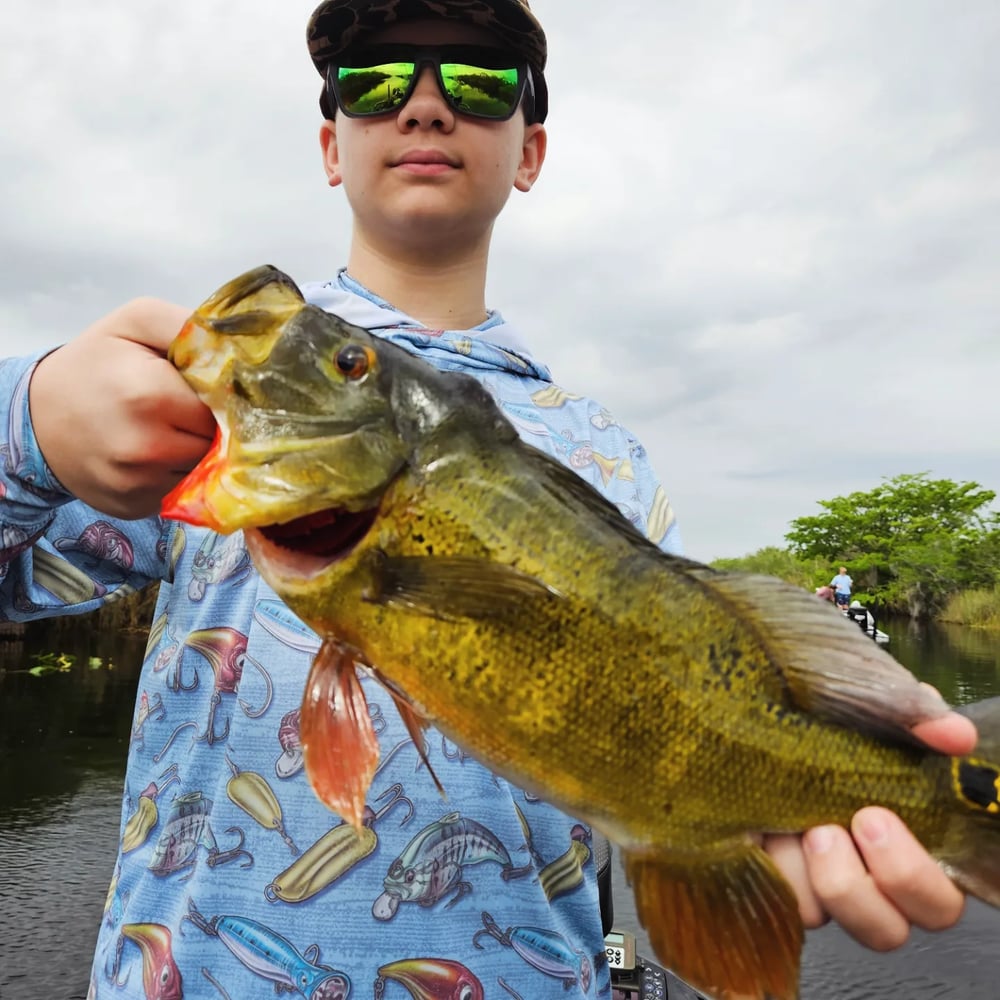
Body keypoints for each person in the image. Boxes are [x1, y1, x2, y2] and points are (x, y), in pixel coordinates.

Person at [1, 2, 974, 997]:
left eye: (477, 82)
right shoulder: (196, 419)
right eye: (376, 81)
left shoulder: (610, 456)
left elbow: (707, 681)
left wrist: (765, 822)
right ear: (333, 144)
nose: (424, 106)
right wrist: (29, 420)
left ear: (530, 151)